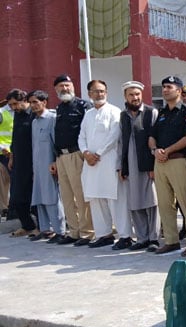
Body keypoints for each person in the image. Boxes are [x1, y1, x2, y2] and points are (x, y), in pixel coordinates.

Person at [148, 75, 186, 256]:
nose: (164, 90)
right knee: (164, 203)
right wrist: (155, 149)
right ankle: (171, 241)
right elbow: (152, 136)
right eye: (163, 87)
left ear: (179, 91)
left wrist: (168, 151)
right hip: (160, 162)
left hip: (179, 160)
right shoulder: (161, 113)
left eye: (169, 87)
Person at [78, 80, 133, 249]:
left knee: (116, 199)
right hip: (91, 164)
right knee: (96, 199)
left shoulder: (114, 111)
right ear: (89, 94)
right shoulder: (88, 114)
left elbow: (114, 135)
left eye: (102, 91)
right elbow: (81, 136)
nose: (99, 94)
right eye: (95, 91)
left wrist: (98, 153)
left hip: (108, 161)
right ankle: (104, 234)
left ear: (106, 93)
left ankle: (125, 236)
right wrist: (86, 153)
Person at [51, 74, 94, 245]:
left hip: (77, 154)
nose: (64, 89)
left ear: (73, 86)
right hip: (61, 157)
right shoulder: (59, 108)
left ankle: (87, 232)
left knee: (81, 195)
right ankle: (74, 231)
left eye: (67, 85)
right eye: (61, 86)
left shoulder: (83, 106)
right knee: (67, 197)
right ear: (56, 90)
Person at [119, 81, 160, 252]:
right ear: (125, 97)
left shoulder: (152, 112)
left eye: (137, 94)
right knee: (135, 202)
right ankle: (141, 238)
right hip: (131, 162)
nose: (135, 98)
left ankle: (154, 238)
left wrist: (153, 166)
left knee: (152, 201)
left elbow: (156, 139)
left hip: (147, 163)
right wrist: (122, 166)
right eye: (131, 95)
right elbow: (122, 141)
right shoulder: (123, 115)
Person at [28, 90, 66, 242]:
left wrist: (56, 162)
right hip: (37, 166)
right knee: (39, 197)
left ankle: (60, 230)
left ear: (44, 102)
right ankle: (45, 229)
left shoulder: (52, 118)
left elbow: (56, 143)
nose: (33, 105)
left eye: (36, 102)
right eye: (31, 102)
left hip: (50, 165)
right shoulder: (34, 122)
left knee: (52, 197)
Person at [6, 89, 38, 237]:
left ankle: (43, 227)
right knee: (17, 198)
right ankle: (27, 226)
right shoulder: (17, 116)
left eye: (15, 104)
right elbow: (14, 138)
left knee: (35, 197)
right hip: (18, 162)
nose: (13, 108)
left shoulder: (33, 115)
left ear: (24, 100)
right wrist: (12, 157)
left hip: (32, 162)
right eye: (11, 105)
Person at [0, 97, 13, 216]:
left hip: (16, 152)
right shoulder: (2, 113)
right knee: (3, 181)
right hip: (3, 153)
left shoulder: (23, 112)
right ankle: (5, 208)